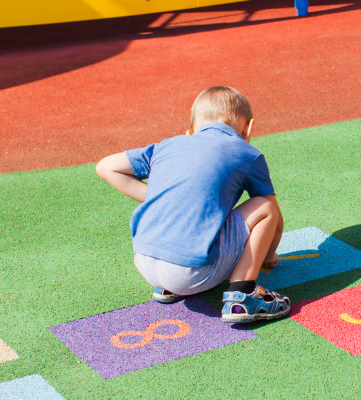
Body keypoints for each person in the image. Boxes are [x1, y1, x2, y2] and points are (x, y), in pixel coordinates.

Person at [95, 86, 289, 323]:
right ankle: (243, 295)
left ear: (190, 132)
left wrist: (163, 196)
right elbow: (273, 216)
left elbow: (105, 167)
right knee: (263, 207)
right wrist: (269, 254)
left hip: (145, 262)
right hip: (191, 272)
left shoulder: (166, 145)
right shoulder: (247, 153)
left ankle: (168, 288)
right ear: (248, 128)